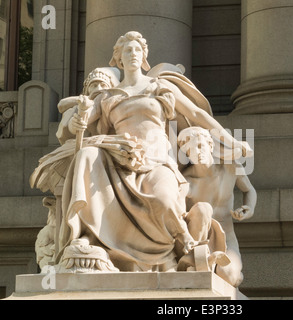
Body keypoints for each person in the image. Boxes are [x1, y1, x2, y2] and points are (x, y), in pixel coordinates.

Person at [31, 31, 252, 273]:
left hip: (157, 159)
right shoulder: (108, 96)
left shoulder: (159, 87)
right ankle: (85, 236)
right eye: (128, 50)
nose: (133, 54)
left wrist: (231, 140)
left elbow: (197, 115)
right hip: (119, 159)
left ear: (144, 57)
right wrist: (77, 122)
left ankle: (181, 239)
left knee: (165, 199)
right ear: (119, 59)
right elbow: (78, 123)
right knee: (87, 154)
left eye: (137, 50)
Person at [178, 126, 257, 287]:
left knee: (227, 276)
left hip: (228, 238)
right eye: (190, 150)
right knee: (202, 208)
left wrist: (249, 208)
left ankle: (228, 271)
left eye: (200, 146)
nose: (197, 152)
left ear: (210, 145)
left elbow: (249, 190)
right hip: (199, 240)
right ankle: (201, 260)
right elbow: (175, 211)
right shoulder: (187, 182)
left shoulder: (231, 168)